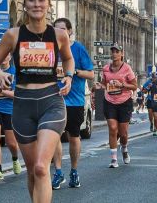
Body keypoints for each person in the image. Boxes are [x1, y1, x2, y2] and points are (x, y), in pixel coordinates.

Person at [0, 0, 74, 203]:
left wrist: (69, 76)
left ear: (48, 5)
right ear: (25, 5)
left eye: (41, 0)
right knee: (31, 170)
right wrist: (0, 74)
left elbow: (68, 59)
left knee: (41, 168)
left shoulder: (59, 35)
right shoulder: (13, 35)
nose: (37, 4)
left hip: (51, 102)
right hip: (23, 105)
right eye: (32, 0)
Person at [52, 18, 94, 189]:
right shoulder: (51, 49)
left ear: (69, 31)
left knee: (73, 136)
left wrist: (74, 72)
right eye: (56, 29)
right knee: (54, 135)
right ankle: (58, 171)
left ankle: (74, 171)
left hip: (74, 100)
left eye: (62, 29)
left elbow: (91, 74)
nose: (59, 33)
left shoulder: (78, 49)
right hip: (54, 99)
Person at [100, 44, 137, 168]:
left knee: (123, 133)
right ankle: (114, 159)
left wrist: (122, 85)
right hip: (110, 101)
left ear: (122, 54)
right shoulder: (105, 69)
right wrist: (99, 86)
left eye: (117, 51)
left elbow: (134, 86)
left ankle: (124, 149)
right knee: (112, 128)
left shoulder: (127, 68)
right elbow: (104, 84)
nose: (114, 54)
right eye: (113, 51)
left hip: (124, 102)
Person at [142, 73, 157, 137]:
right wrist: (148, 87)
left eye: (155, 77)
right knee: (155, 117)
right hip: (153, 102)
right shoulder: (150, 83)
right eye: (153, 78)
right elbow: (144, 91)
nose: (154, 79)